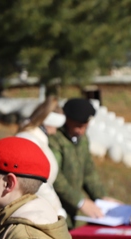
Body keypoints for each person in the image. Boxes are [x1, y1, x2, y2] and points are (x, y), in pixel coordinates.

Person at [49, 97, 118, 228]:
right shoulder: (55, 139)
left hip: (72, 211)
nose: (80, 130)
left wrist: (101, 197)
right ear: (66, 119)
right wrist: (80, 201)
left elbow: (88, 172)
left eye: (84, 126)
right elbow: (55, 176)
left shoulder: (82, 139)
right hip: (54, 208)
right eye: (77, 126)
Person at [16, 95, 67, 217]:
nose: (56, 131)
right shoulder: (29, 140)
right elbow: (36, 181)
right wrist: (56, 208)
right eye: (56, 126)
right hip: (31, 210)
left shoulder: (37, 139)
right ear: (49, 122)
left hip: (37, 206)